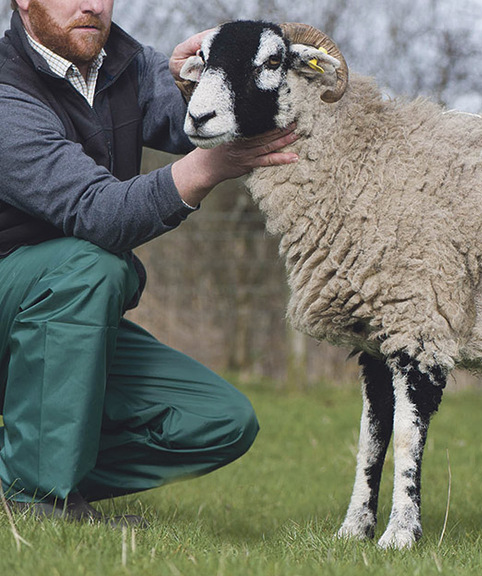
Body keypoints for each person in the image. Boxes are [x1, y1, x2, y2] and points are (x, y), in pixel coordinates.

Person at [0, 0, 297, 526]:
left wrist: (202, 80)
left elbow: (196, 123)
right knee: (93, 265)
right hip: (22, 303)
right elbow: (99, 213)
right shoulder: (7, 93)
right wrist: (206, 169)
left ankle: (21, 476)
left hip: (63, 319)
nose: (91, 4)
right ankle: (38, 501)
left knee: (218, 421)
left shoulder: (127, 64)